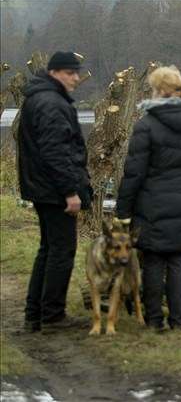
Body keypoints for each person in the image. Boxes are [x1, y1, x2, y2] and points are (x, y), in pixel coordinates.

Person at [115, 66, 181, 332]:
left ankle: (154, 319)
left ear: (158, 91)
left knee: (154, 261)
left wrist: (123, 211)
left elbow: (134, 172)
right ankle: (179, 321)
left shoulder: (146, 125)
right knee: (178, 260)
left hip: (152, 202)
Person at [18, 51, 93, 333]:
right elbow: (55, 152)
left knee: (47, 249)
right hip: (54, 190)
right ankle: (52, 315)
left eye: (77, 72)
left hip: (41, 187)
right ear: (55, 73)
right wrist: (70, 192)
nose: (76, 78)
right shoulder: (51, 103)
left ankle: (34, 313)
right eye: (71, 72)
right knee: (62, 250)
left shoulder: (39, 97)